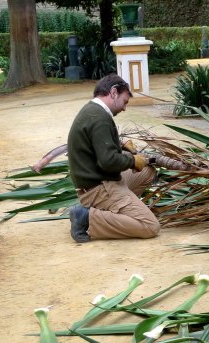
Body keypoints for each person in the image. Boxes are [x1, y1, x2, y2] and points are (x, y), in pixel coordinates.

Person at [66, 73, 160, 243]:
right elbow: (108, 162)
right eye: (125, 102)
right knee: (150, 226)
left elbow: (95, 147)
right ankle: (88, 217)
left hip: (97, 182)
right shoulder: (101, 118)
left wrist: (120, 145)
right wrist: (133, 160)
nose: (124, 108)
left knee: (146, 171)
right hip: (100, 188)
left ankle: (120, 209)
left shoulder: (92, 111)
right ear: (114, 92)